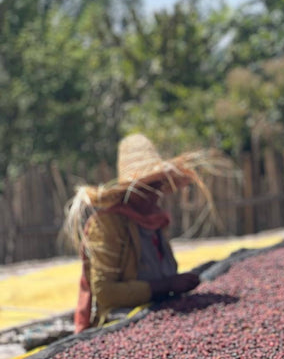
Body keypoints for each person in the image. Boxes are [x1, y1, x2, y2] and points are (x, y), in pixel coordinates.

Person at [65, 133, 229, 333]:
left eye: (157, 185)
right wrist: (167, 284)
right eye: (146, 187)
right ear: (129, 190)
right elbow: (105, 293)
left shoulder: (155, 221)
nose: (154, 194)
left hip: (161, 316)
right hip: (118, 326)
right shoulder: (108, 225)